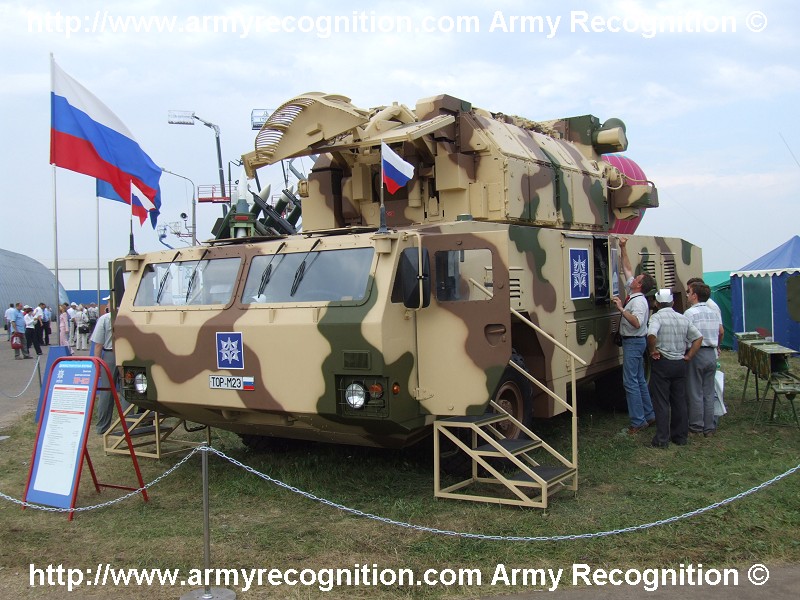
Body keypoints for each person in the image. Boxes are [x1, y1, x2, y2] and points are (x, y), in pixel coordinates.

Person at [646, 289, 703, 448]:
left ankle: (662, 439)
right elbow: (698, 337)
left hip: (663, 362)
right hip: (680, 363)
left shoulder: (656, 317)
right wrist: (689, 355)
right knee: (679, 401)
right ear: (672, 302)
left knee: (662, 402)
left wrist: (652, 351)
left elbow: (651, 334)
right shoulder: (682, 318)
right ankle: (680, 437)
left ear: (657, 303)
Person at [612, 237, 657, 434]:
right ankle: (649, 414)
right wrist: (623, 247)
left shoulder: (638, 302)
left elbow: (637, 322)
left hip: (634, 343)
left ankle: (637, 422)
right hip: (637, 343)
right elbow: (627, 268)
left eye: (638, 279)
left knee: (630, 382)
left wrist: (621, 309)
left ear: (639, 285)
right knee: (639, 379)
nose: (634, 278)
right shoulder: (637, 294)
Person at [684, 281, 723, 437]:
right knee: (709, 392)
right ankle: (709, 427)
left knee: (695, 391)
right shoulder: (714, 312)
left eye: (689, 292)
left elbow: (687, 335)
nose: (687, 294)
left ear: (695, 295)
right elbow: (720, 331)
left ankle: (696, 426)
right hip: (711, 353)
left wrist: (687, 354)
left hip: (697, 352)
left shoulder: (690, 313)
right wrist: (717, 346)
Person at [91, 310, 128, 434]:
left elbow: (98, 345)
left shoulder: (105, 318)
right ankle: (129, 426)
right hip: (127, 355)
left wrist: (97, 363)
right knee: (127, 392)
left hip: (109, 355)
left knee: (106, 392)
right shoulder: (128, 315)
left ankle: (102, 426)